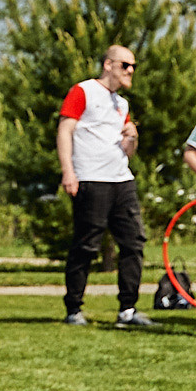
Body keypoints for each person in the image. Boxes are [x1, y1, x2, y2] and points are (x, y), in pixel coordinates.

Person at [58, 45, 150, 328]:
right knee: (87, 245)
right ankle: (74, 309)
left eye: (133, 66)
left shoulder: (121, 104)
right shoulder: (83, 91)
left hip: (121, 180)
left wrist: (132, 137)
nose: (131, 70)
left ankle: (128, 311)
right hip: (91, 178)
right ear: (108, 64)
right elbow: (65, 129)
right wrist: (68, 172)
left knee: (134, 243)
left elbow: (127, 149)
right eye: (125, 65)